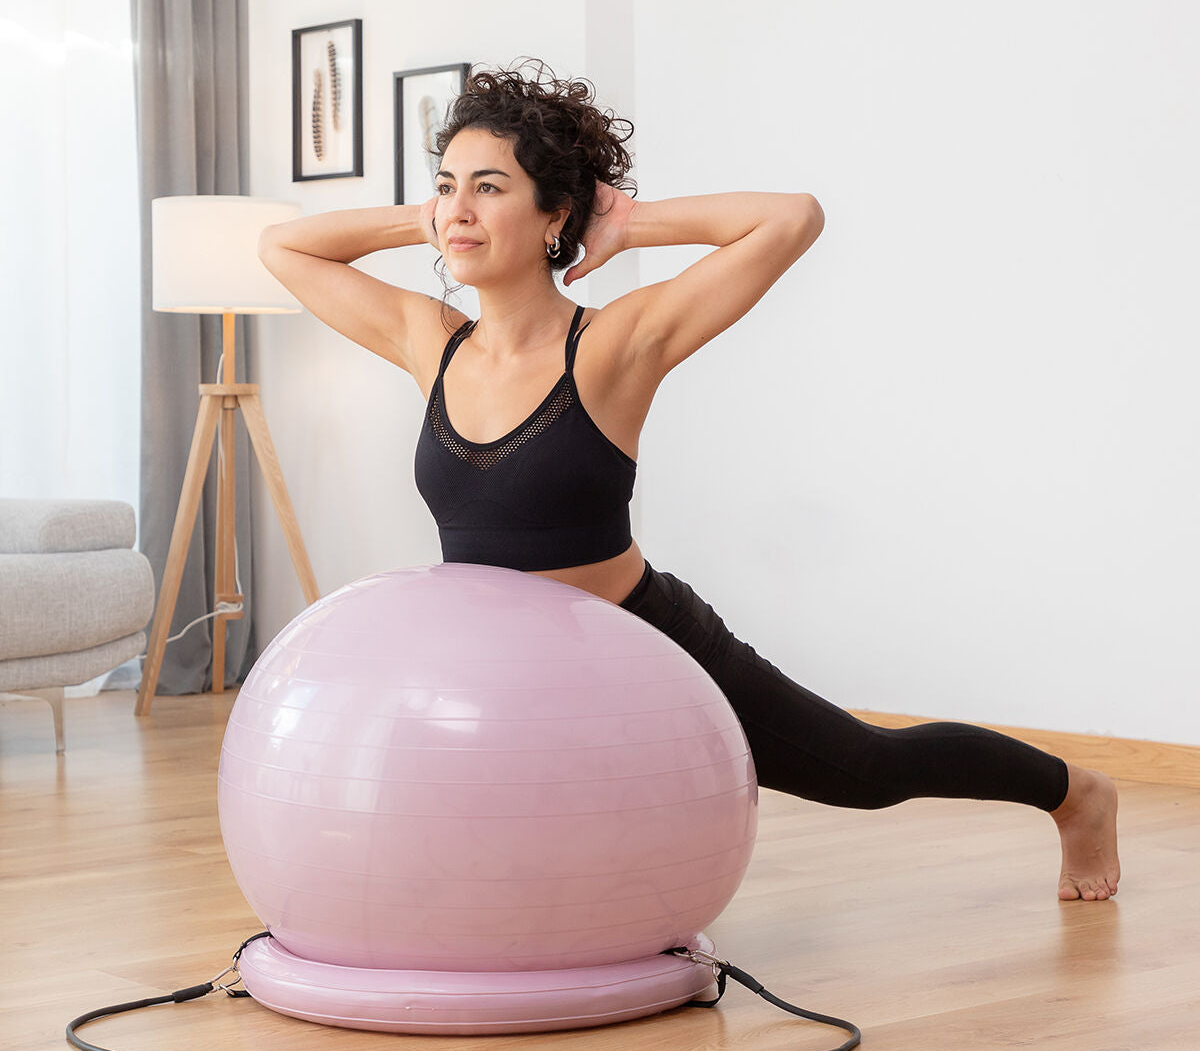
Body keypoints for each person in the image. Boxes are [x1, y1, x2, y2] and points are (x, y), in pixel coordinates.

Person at [259, 60, 1120, 901]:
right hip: (498, 674)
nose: (460, 208)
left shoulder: (615, 343)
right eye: (448, 185)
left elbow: (792, 218)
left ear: (555, 210)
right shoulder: (429, 339)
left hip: (640, 644)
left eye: (491, 187)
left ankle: (1075, 793)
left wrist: (631, 227)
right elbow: (284, 248)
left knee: (865, 769)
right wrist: (430, 218)